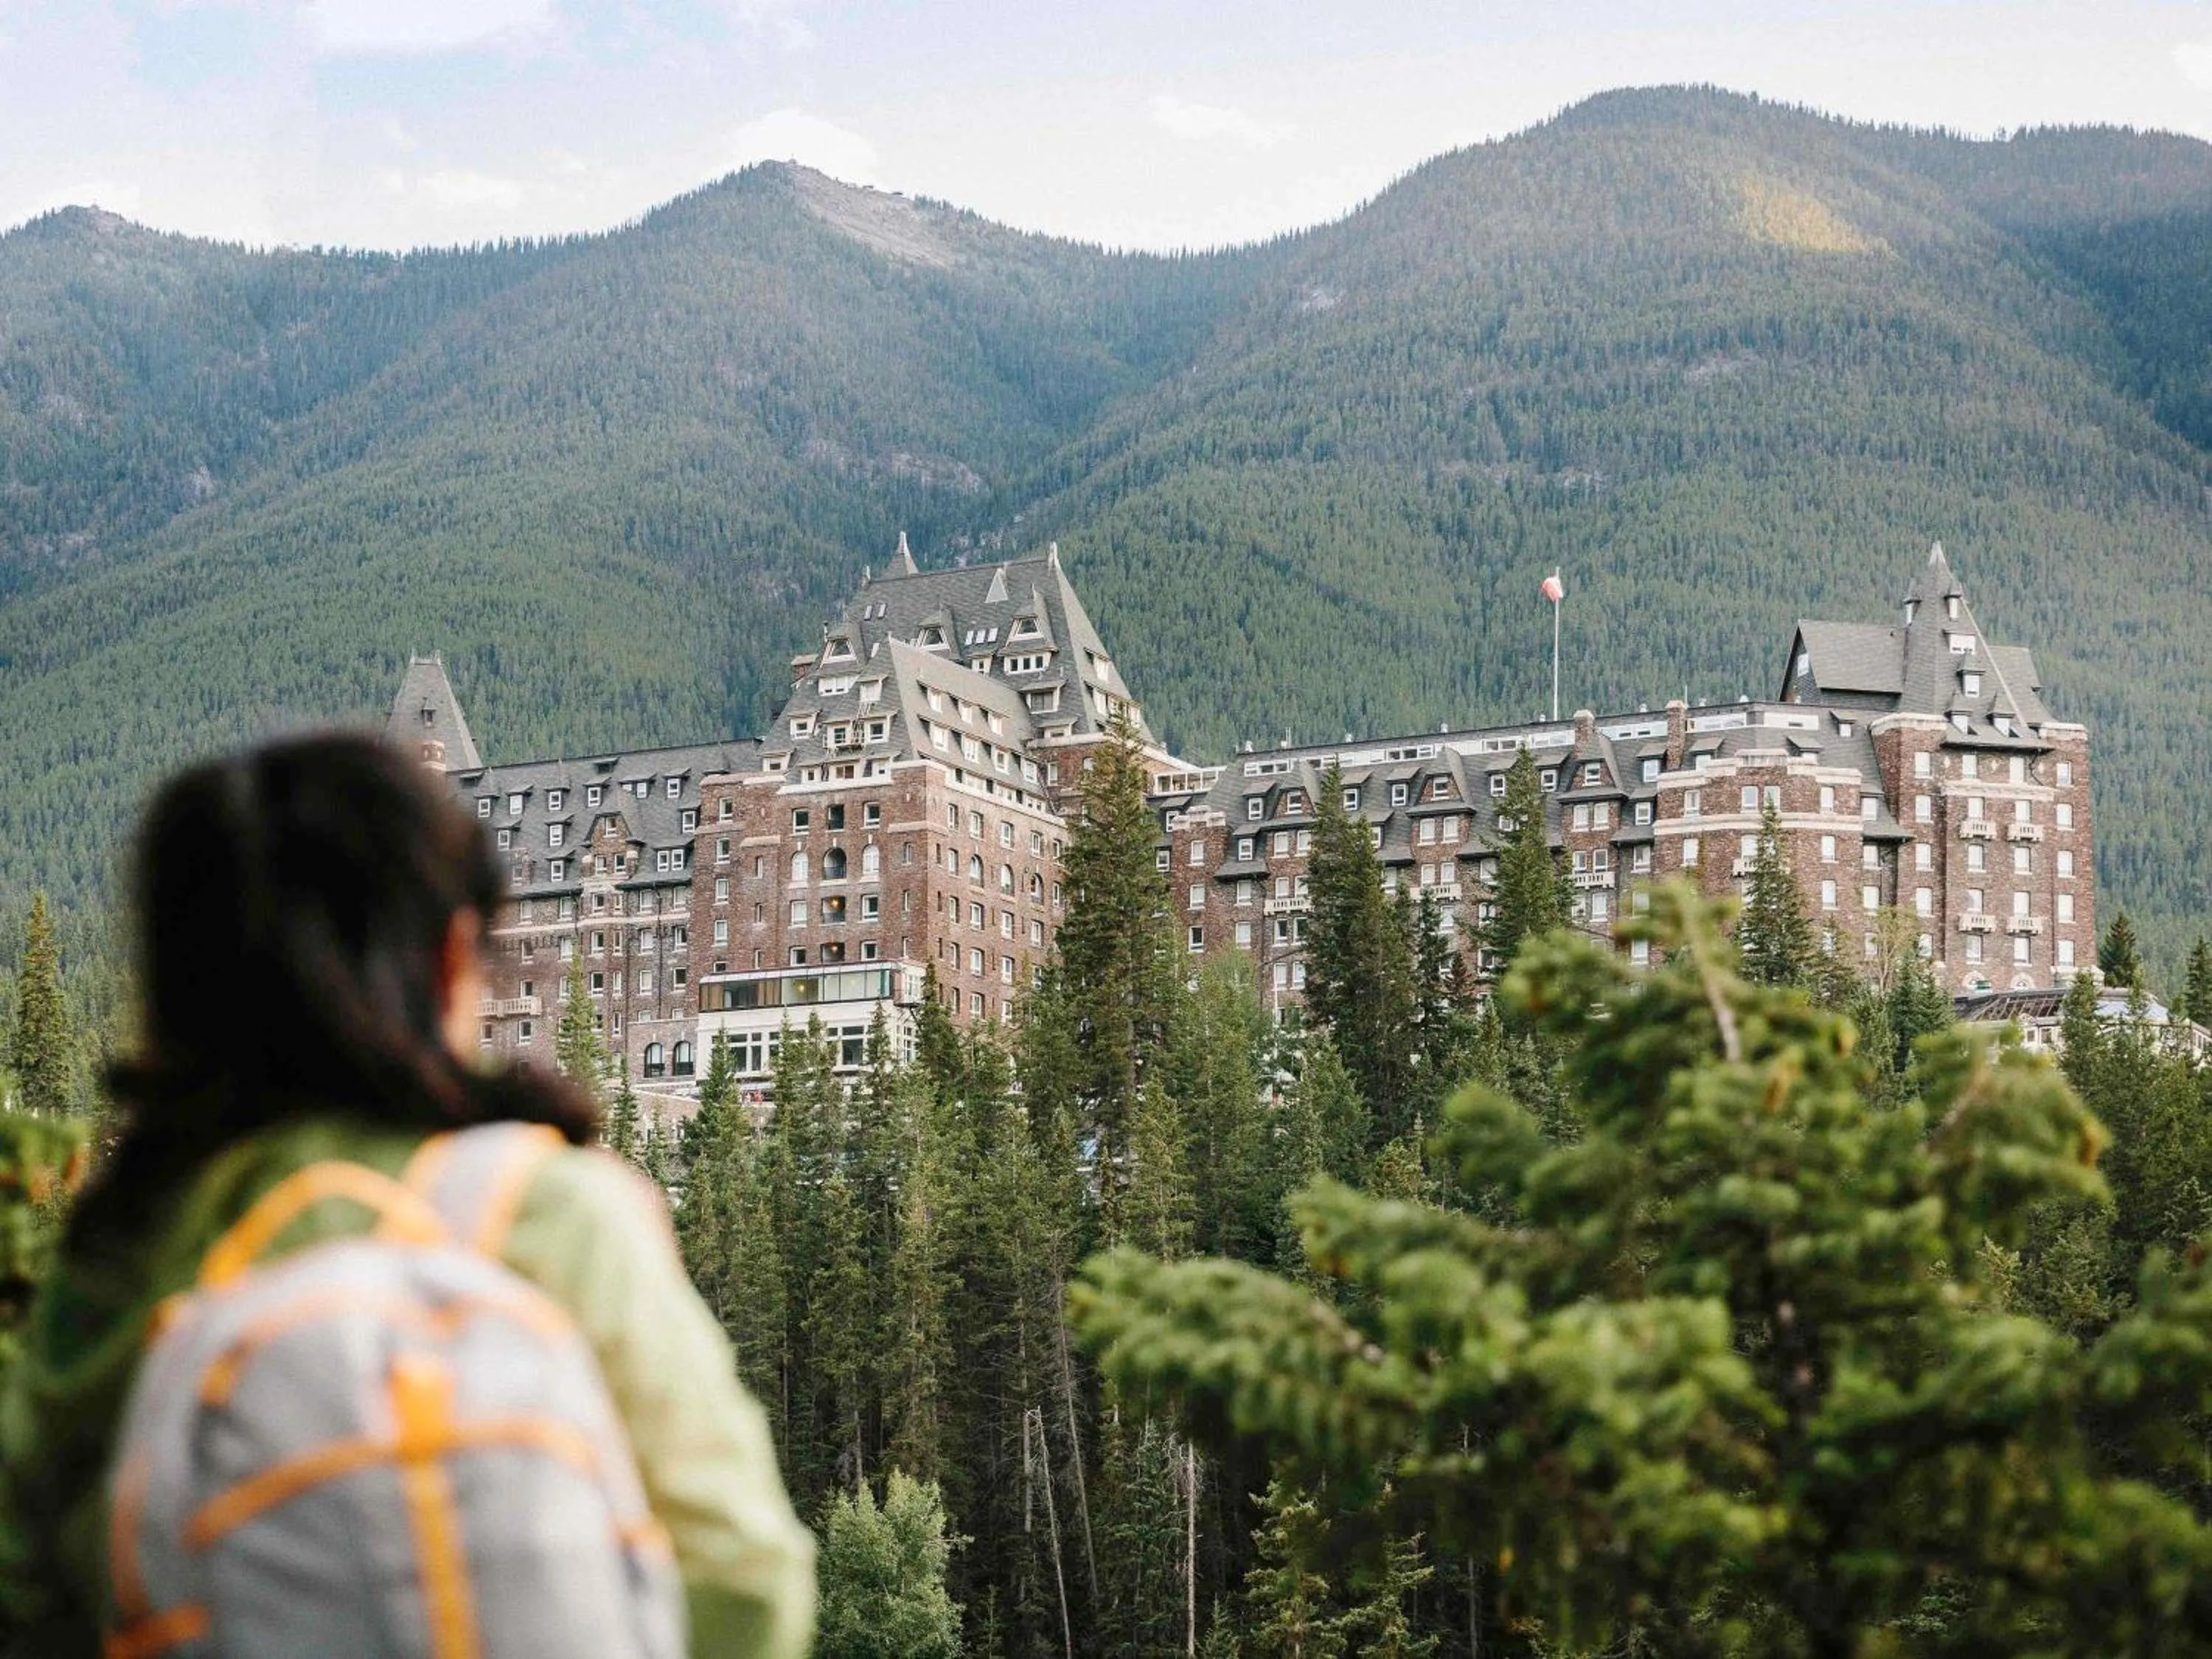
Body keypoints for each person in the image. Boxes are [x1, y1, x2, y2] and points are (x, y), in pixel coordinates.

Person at [0, 732, 815, 1657]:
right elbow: (746, 1577)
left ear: (177, 991)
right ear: (450, 956)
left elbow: (28, 1593)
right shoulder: (552, 1208)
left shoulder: (121, 1247)